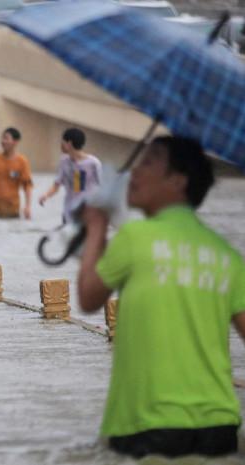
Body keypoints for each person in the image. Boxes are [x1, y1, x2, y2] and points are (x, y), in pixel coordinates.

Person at [77, 136, 245, 458]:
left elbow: (88, 297)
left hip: (147, 424)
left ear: (178, 181)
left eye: (150, 161)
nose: (135, 172)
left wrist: (96, 226)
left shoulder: (136, 238)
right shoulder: (228, 256)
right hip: (220, 427)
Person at [38, 128, 102, 223]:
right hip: (68, 213)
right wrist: (45, 196)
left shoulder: (93, 163)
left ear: (69, 143)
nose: (60, 144)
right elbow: (57, 184)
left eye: (62, 141)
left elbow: (103, 188)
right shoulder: (64, 161)